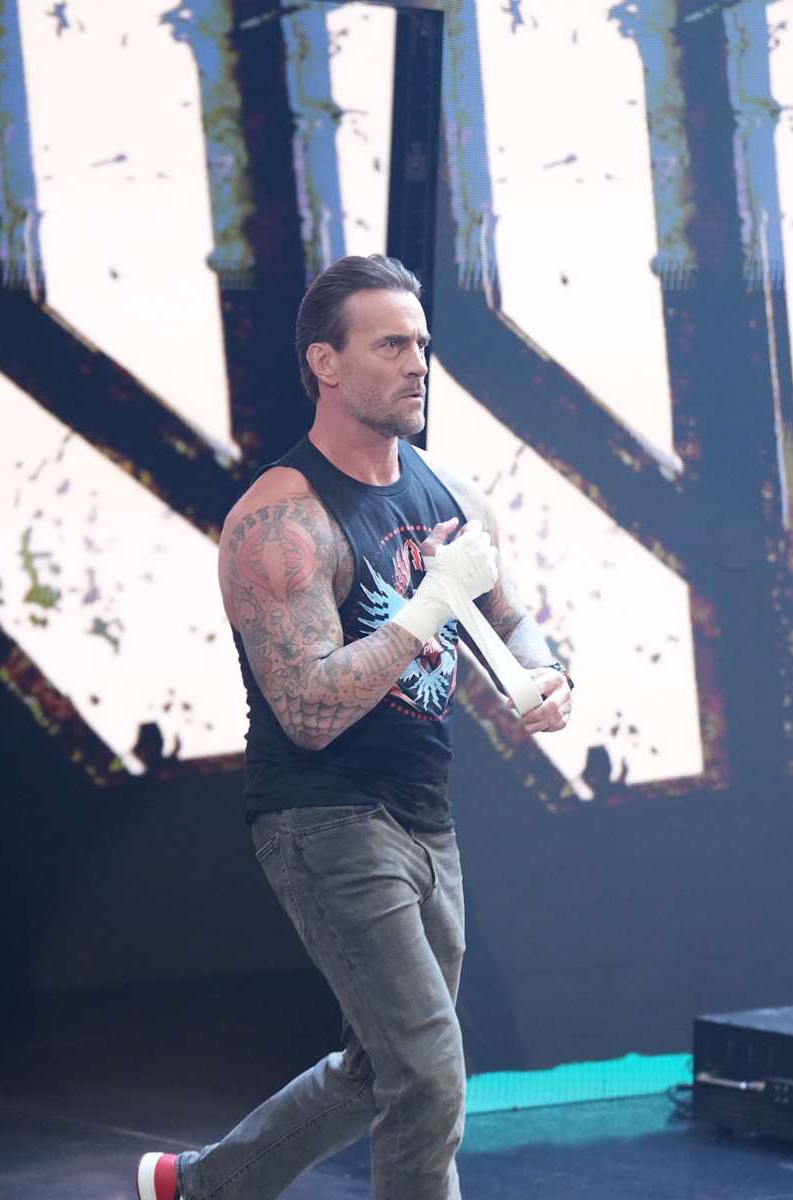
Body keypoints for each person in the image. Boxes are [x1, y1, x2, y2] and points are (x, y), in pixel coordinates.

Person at [135, 254, 574, 1200]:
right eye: (390, 345)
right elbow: (312, 711)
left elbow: (508, 617)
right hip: (322, 816)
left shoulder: (451, 494)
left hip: (425, 815)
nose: (417, 363)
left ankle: (203, 1188)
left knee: (385, 1066)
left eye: (421, 343)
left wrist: (544, 674)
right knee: (428, 1071)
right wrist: (424, 611)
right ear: (325, 364)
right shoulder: (280, 522)